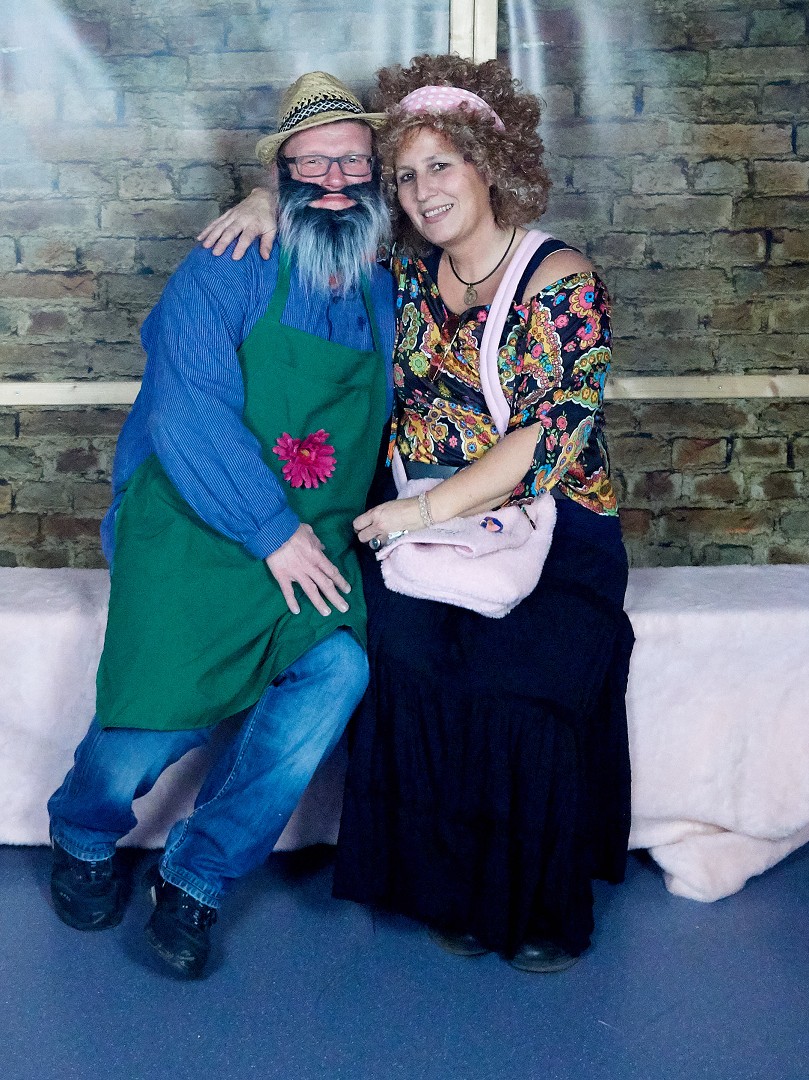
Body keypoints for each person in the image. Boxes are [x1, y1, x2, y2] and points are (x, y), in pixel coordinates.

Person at [201, 54, 634, 974]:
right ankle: (447, 888)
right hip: (422, 524)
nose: (421, 189)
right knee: (403, 658)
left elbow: (552, 433)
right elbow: (320, 208)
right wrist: (264, 198)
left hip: (552, 525)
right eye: (402, 174)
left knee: (521, 684)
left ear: (489, 165)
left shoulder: (560, 278)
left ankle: (534, 904)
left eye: (440, 165)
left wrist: (419, 510)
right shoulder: (399, 274)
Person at [47, 72, 395, 980]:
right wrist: (269, 529)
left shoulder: (382, 291)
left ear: (375, 175)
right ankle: (82, 830)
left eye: (352, 161)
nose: (334, 179)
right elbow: (186, 411)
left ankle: (197, 875)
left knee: (336, 670)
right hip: (195, 519)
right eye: (313, 162)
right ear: (280, 173)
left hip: (313, 533)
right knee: (151, 723)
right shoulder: (226, 263)